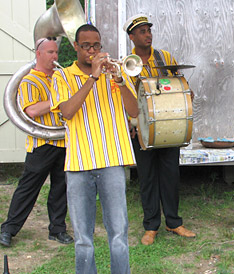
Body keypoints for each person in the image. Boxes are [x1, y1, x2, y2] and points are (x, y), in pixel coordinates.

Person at [50, 24, 138, 273]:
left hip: (112, 160)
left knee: (119, 234)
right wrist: (93, 78)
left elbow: (134, 111)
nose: (92, 50)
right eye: (86, 45)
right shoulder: (62, 76)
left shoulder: (117, 73)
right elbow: (67, 111)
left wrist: (119, 80)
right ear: (75, 47)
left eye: (96, 45)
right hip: (78, 164)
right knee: (82, 238)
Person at [122, 14, 196, 246]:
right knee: (147, 178)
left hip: (169, 127)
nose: (148, 35)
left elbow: (180, 86)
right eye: (142, 31)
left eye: (149, 30)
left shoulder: (165, 58)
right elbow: (123, 96)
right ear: (132, 37)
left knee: (171, 176)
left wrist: (188, 94)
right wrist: (131, 122)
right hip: (142, 130)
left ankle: (173, 222)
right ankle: (151, 226)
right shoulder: (127, 64)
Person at [0, 37, 73, 247]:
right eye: (50, 52)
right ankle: (8, 229)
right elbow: (31, 110)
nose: (55, 57)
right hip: (41, 143)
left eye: (56, 52)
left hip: (64, 141)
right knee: (28, 187)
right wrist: (57, 101)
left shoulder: (60, 77)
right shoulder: (29, 81)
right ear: (38, 54)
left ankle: (57, 230)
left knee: (61, 188)